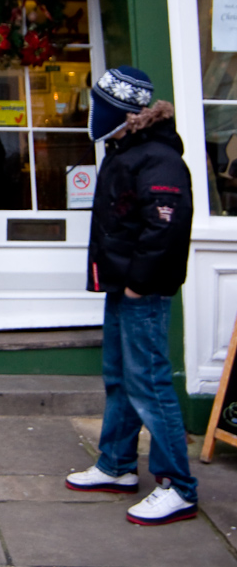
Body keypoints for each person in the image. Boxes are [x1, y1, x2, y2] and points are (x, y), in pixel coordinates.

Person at [65, 65, 197, 526]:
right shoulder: (127, 148)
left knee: (150, 383)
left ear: (123, 111)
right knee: (119, 376)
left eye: (100, 107)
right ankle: (116, 465)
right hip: (122, 285)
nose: (93, 115)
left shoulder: (157, 158)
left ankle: (178, 486)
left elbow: (167, 225)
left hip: (142, 290)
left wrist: (139, 283)